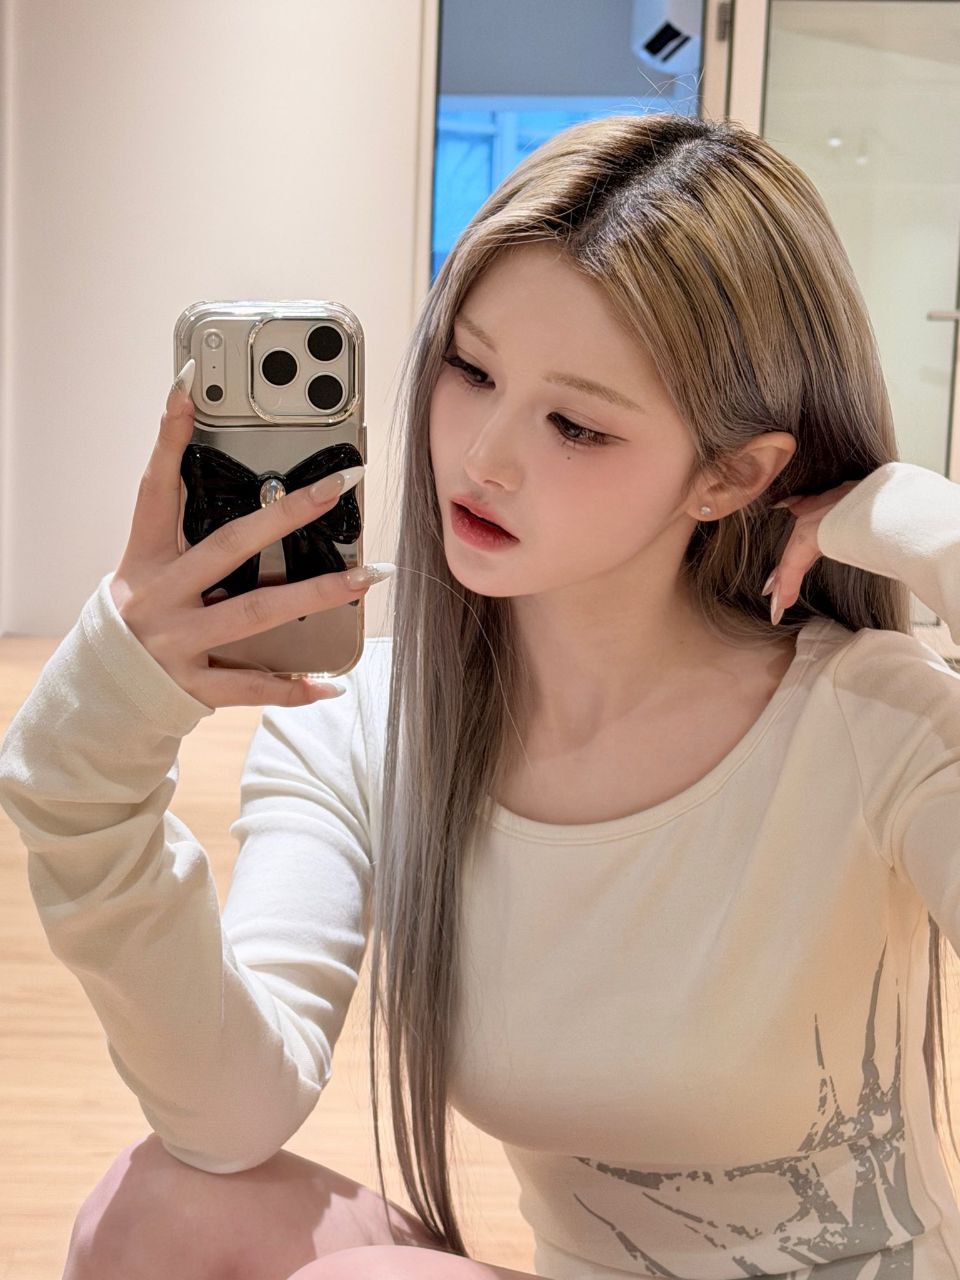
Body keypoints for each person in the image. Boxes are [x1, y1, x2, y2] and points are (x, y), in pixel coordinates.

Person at [2, 110, 960, 1280]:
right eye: (471, 368)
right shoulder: (366, 725)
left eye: (575, 424)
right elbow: (228, 1109)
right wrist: (88, 761)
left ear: (730, 474)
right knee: (155, 1207)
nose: (484, 455)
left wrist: (931, 527)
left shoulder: (870, 720)